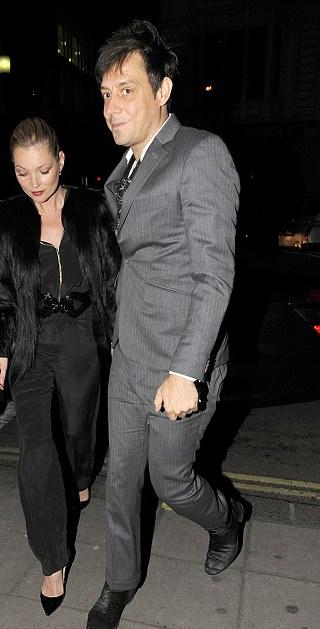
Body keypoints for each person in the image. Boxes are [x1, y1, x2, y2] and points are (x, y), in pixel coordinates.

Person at [86, 20, 243, 629]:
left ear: (163, 90)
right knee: (121, 479)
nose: (112, 107)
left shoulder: (201, 154)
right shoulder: (122, 171)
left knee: (172, 481)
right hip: (128, 356)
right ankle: (119, 580)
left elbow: (214, 276)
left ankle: (227, 519)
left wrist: (185, 370)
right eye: (106, 94)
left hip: (179, 362)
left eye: (126, 90)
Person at [0, 117, 120, 616]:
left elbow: (112, 279)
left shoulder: (93, 209)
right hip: (30, 342)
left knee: (79, 427)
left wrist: (123, 339)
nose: (34, 183)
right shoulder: (3, 218)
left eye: (43, 170)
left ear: (61, 161)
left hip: (81, 337)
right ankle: (52, 559)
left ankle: (81, 473)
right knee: (36, 445)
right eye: (22, 173)